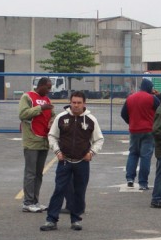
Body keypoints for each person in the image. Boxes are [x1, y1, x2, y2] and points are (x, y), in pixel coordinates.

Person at [39, 91, 104, 231]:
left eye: (79, 103)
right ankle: (51, 220)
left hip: (82, 162)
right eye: (73, 102)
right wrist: (57, 151)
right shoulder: (61, 118)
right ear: (70, 102)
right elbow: (52, 136)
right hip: (64, 162)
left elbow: (99, 139)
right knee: (59, 190)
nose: (76, 105)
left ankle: (76, 220)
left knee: (79, 192)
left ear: (84, 103)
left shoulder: (91, 119)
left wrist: (91, 153)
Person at [19, 77, 54, 212]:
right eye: (48, 87)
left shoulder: (47, 99)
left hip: (43, 141)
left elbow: (52, 114)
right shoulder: (27, 97)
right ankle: (27, 203)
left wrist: (53, 119)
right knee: (30, 173)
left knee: (39, 173)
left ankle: (35, 201)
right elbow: (23, 114)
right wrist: (40, 108)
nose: (49, 90)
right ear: (41, 86)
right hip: (32, 141)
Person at [121, 78, 159, 190]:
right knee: (145, 157)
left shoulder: (130, 98)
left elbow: (123, 114)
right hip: (149, 130)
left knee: (133, 154)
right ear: (149, 88)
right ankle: (143, 183)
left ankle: (130, 178)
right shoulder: (152, 98)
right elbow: (160, 110)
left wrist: (131, 122)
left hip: (134, 130)